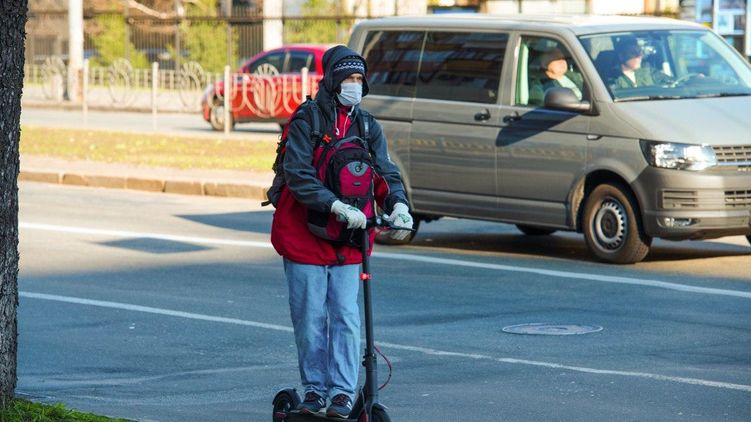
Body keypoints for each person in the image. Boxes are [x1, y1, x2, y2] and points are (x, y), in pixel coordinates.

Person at [270, 45, 413, 419]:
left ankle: (342, 394)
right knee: (311, 319)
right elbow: (298, 175)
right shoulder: (306, 121)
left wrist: (398, 205)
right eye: (348, 78)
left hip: (349, 239)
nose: (354, 85)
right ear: (332, 80)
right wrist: (334, 205)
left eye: (359, 79)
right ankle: (314, 390)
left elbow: (385, 172)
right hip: (304, 236)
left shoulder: (367, 126)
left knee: (346, 318)